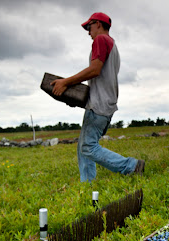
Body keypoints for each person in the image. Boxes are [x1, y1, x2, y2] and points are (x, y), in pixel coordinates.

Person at [51, 12, 144, 182]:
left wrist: (66, 82)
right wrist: (76, 97)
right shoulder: (112, 44)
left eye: (89, 26)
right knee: (83, 146)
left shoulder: (101, 40)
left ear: (98, 24)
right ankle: (87, 182)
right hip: (102, 102)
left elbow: (95, 70)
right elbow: (100, 78)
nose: (88, 31)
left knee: (88, 147)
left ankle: (130, 166)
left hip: (99, 105)